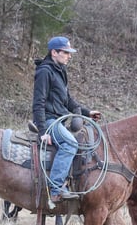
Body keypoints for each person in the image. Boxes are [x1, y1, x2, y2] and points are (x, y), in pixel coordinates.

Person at [32, 36, 101, 203]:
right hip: (49, 121)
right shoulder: (44, 72)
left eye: (69, 53)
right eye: (66, 52)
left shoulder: (60, 71)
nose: (69, 56)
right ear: (54, 53)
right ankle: (56, 190)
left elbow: (67, 100)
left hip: (59, 120)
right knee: (70, 144)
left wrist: (87, 113)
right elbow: (38, 103)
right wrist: (43, 131)